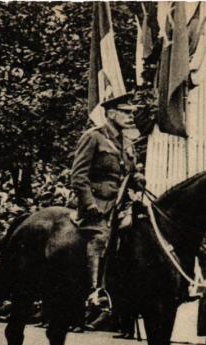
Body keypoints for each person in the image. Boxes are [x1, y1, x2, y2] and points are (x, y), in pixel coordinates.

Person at [70, 93, 147, 306]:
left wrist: (138, 178)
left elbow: (129, 173)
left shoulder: (128, 142)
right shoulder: (93, 137)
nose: (130, 116)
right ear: (111, 113)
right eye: (125, 112)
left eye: (131, 112)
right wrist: (89, 204)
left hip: (123, 202)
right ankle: (95, 291)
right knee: (101, 238)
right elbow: (78, 176)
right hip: (99, 203)